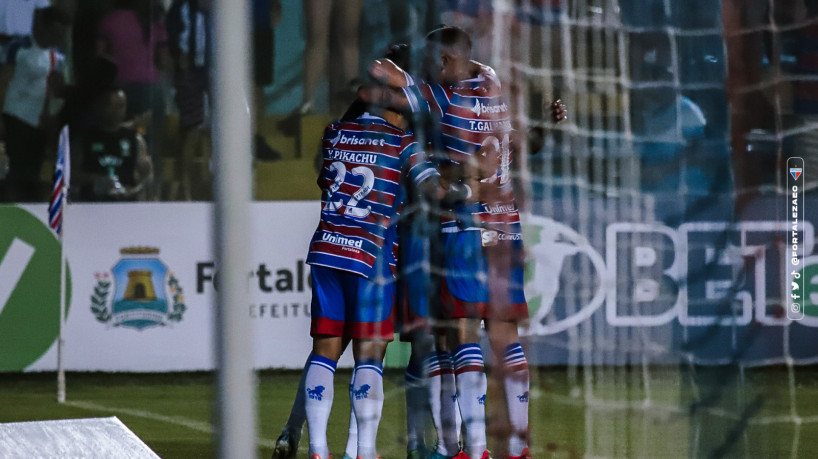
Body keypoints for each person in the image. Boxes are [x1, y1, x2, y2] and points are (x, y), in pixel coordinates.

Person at [360, 26, 565, 459]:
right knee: (505, 335)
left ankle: (469, 448)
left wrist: (405, 69)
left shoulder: (440, 97)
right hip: (506, 228)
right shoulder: (495, 86)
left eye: (435, 60)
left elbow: (376, 78)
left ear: (447, 60)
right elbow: (522, 144)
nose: (431, 68)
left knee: (457, 335)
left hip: (463, 228)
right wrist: (546, 121)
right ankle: (517, 446)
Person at [97, 0, 170, 194]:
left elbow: (100, 55)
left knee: (120, 141)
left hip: (119, 90)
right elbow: (163, 60)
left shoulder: (110, 19)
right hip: (151, 90)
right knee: (151, 146)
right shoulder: (154, 20)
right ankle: (151, 192)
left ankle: (119, 187)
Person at [0, 7, 70, 202]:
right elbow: (3, 81)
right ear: (41, 27)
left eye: (59, 34)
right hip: (14, 117)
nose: (55, 37)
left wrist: (51, 118)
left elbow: (56, 91)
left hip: (37, 124)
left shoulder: (57, 56)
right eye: (53, 32)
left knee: (31, 175)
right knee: (12, 175)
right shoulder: (18, 47)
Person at [72, 87, 152, 202]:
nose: (117, 110)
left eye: (121, 105)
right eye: (112, 105)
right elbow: (71, 174)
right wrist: (95, 179)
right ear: (101, 106)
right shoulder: (86, 139)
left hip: (126, 203)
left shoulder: (135, 140)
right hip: (91, 203)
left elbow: (147, 176)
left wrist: (135, 190)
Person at [166, 0, 211, 200]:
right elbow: (180, 42)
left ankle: (204, 180)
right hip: (190, 73)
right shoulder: (183, 8)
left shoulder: (214, 11)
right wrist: (184, 74)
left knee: (206, 130)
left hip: (208, 72)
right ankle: (184, 186)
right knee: (192, 129)